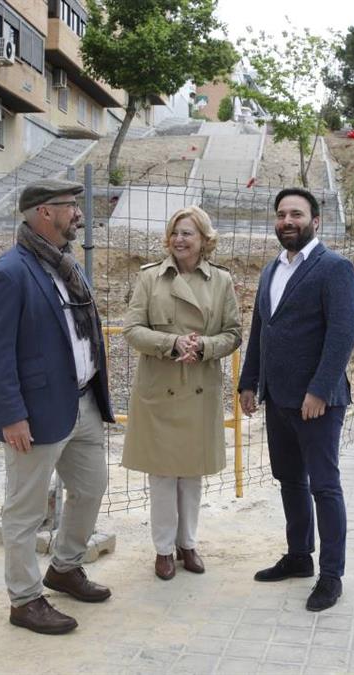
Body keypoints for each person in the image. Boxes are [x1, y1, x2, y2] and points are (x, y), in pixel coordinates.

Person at [0, 179, 116, 635]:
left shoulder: (65, 265)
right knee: (24, 510)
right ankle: (25, 599)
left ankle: (65, 567)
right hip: (36, 415)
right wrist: (12, 415)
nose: (77, 213)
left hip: (83, 402)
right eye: (69, 207)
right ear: (43, 213)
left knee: (92, 486)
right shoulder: (9, 272)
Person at [238, 187, 354, 612]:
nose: (288, 221)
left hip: (317, 402)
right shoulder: (272, 270)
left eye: (297, 214)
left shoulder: (334, 268)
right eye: (282, 214)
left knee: (324, 487)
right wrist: (249, 381)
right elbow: (260, 330)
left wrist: (320, 390)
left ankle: (331, 576)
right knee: (290, 481)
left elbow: (343, 335)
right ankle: (299, 557)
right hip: (279, 399)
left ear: (315, 221)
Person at [122, 206, 242, 580]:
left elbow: (234, 332)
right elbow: (131, 329)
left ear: (204, 239)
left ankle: (187, 543)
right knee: (162, 474)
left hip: (199, 385)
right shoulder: (149, 278)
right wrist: (172, 343)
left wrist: (204, 347)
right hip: (160, 387)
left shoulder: (221, 281)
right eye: (174, 232)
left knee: (191, 473)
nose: (179, 240)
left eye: (187, 233)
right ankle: (162, 549)